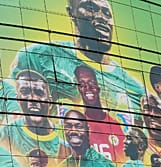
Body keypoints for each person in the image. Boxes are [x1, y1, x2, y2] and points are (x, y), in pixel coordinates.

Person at [10, 0, 145, 113]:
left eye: (107, 13)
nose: (101, 17)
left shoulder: (136, 90)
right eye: (90, 8)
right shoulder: (38, 56)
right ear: (71, 13)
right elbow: (11, 107)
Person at [0, 70, 69, 161]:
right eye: (25, 92)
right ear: (18, 99)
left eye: (39, 93)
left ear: (50, 102)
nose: (33, 99)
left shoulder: (67, 136)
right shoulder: (2, 136)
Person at [74, 65, 126, 164]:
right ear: (78, 89)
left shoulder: (115, 125)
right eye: (82, 84)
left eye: (92, 83)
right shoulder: (79, 127)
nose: (88, 88)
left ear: (98, 87)